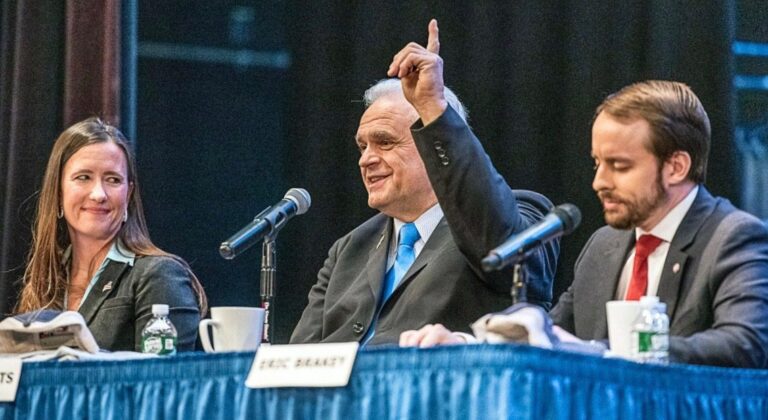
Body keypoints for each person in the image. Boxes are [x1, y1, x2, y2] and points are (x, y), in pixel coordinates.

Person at [400, 80, 768, 368]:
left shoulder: (733, 237)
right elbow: (551, 336)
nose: (599, 182)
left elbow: (744, 344)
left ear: (676, 167)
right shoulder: (604, 245)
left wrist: (606, 355)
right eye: (597, 164)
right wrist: (466, 347)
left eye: (620, 166)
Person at [290, 20, 558, 346]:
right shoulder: (349, 249)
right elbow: (299, 355)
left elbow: (500, 243)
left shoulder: (523, 214)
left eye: (385, 142)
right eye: (363, 146)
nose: (366, 159)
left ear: (434, 145)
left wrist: (433, 109)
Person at [15, 117, 207, 352]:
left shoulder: (159, 275)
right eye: (83, 177)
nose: (99, 194)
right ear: (57, 192)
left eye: (113, 180)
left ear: (128, 195)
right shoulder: (44, 285)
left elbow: (163, 384)